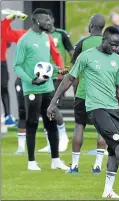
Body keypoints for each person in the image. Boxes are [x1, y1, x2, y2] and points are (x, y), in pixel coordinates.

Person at [47, 26, 119, 198]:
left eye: (118, 45)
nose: (115, 48)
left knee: (113, 151)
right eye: (112, 44)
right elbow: (69, 79)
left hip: (114, 109)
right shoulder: (87, 56)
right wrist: (53, 102)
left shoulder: (118, 60)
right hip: (96, 108)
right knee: (117, 143)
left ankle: (108, 190)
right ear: (103, 40)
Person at [2, 10, 71, 154]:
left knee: (49, 111)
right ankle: (22, 147)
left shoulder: (48, 38)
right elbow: (4, 33)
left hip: (48, 80)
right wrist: (10, 18)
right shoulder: (23, 36)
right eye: (45, 20)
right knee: (24, 113)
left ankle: (59, 139)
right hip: (25, 82)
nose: (48, 23)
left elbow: (56, 54)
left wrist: (61, 71)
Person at [64, 14, 107, 174]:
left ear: (91, 26)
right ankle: (97, 166)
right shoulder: (108, 43)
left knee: (79, 126)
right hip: (102, 95)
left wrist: (76, 91)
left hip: (83, 93)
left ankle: (74, 166)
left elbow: (75, 72)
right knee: (102, 129)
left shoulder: (82, 43)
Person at [38, 9, 75, 153]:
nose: (46, 22)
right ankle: (50, 140)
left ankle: (63, 136)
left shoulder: (61, 34)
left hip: (58, 77)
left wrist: (67, 69)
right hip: (44, 76)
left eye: (48, 19)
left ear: (52, 19)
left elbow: (72, 52)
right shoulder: (40, 36)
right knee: (44, 108)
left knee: (52, 106)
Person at [0, 14, 18, 127]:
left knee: (4, 87)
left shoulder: (3, 27)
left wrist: (13, 15)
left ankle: (8, 116)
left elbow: (5, 24)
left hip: (2, 62)